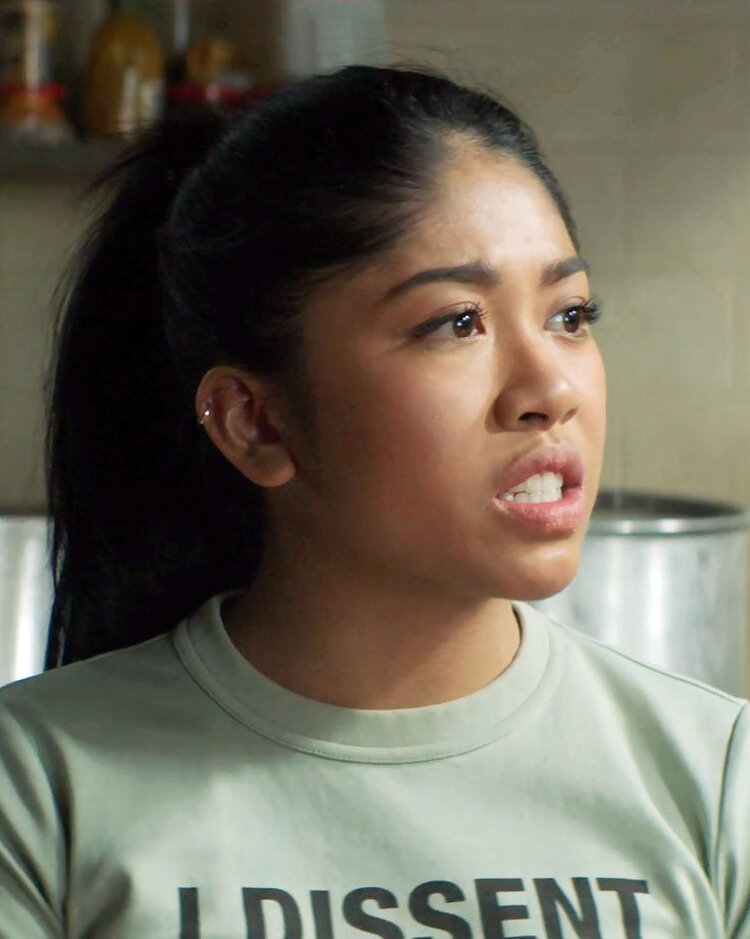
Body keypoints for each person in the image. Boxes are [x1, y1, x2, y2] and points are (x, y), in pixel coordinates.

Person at [0, 64, 747, 939]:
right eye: (458, 322)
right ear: (255, 422)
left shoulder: (716, 776)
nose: (550, 389)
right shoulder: (37, 791)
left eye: (569, 315)